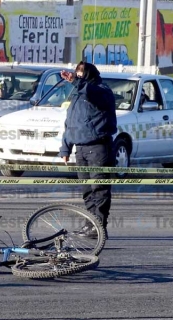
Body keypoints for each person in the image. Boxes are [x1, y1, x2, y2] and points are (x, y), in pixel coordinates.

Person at [59, 61, 117, 239]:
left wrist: (76, 82)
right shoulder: (78, 93)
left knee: (99, 189)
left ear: (89, 74)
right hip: (81, 149)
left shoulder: (101, 90)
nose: (78, 75)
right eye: (77, 73)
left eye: (81, 73)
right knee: (87, 190)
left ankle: (99, 226)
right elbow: (71, 123)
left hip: (98, 148)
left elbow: (92, 93)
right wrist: (65, 148)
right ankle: (90, 223)